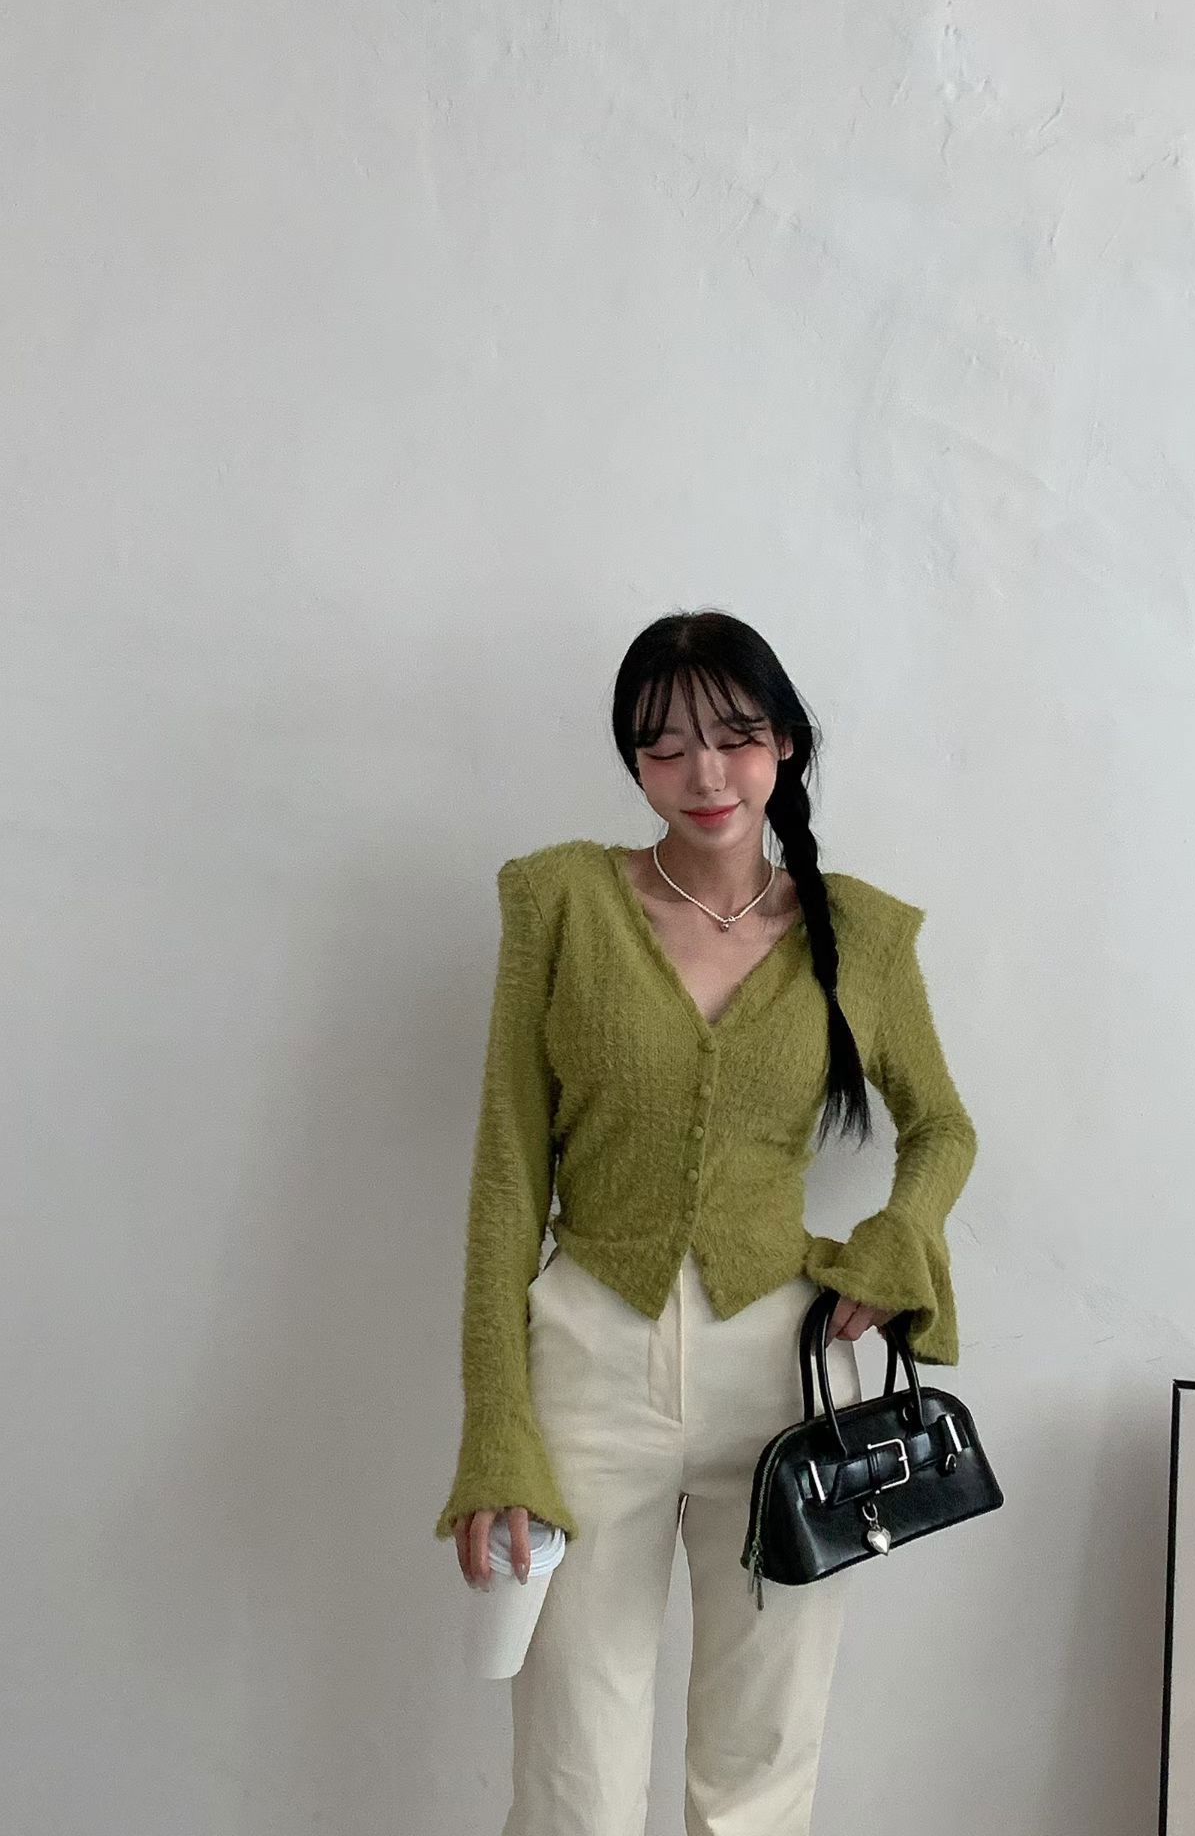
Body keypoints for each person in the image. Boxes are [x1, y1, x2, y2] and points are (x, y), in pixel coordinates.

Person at [436, 609, 978, 1835]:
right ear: (634, 761)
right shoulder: (562, 903)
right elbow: (508, 1177)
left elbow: (943, 1127)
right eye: (666, 746)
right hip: (585, 1365)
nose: (705, 774)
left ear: (784, 742)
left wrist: (896, 1242)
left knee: (761, 1768)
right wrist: (495, 1433)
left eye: (734, 737)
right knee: (574, 1776)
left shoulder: (861, 935)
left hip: (788, 1384)